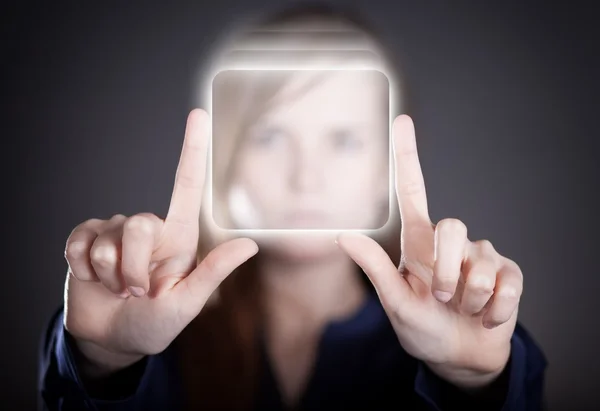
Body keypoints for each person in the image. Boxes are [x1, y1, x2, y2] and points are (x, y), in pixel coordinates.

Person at [37, 3, 548, 411]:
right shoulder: (156, 328)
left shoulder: (436, 340)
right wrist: (102, 360)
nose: (306, 177)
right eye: (270, 136)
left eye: (344, 140)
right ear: (227, 161)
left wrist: (476, 382)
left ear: (386, 173)